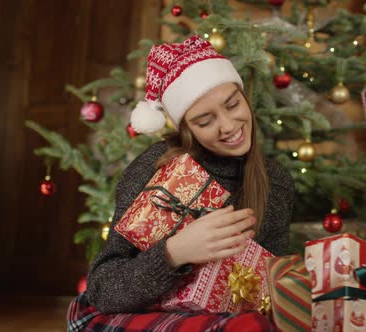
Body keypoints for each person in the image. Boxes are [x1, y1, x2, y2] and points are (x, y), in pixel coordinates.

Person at [67, 35, 295, 332]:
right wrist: (175, 252)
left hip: (230, 319)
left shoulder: (274, 181)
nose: (228, 126)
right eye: (205, 121)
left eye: (233, 104)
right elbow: (103, 289)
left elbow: (267, 292)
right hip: (145, 314)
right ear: (187, 128)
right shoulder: (157, 167)